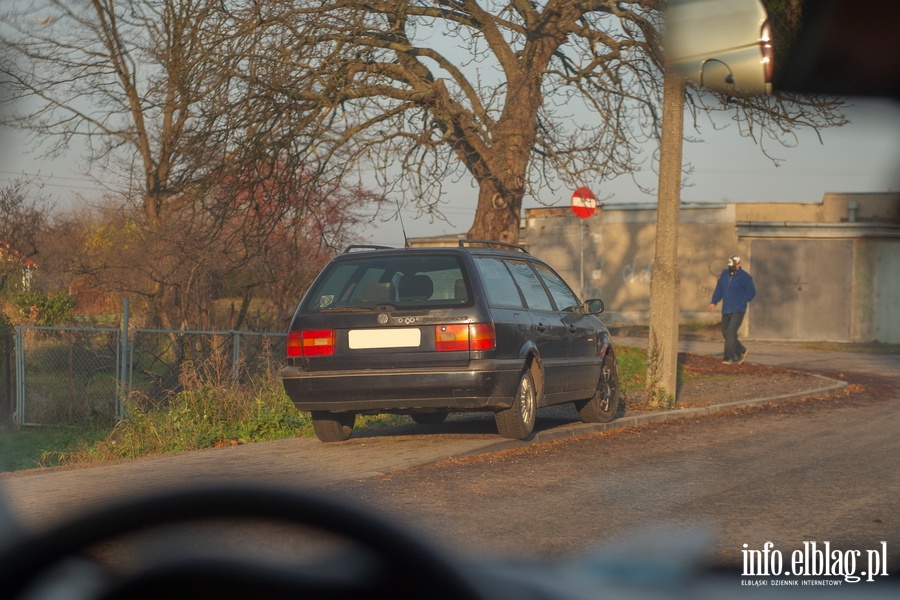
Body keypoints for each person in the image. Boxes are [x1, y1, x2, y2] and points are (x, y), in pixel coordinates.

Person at [708, 254, 756, 364]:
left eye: (734, 266)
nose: (731, 268)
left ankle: (728, 357)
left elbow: (752, 292)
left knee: (731, 332)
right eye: (730, 266)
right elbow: (719, 289)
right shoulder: (724, 275)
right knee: (725, 332)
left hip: (738, 309)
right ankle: (741, 350)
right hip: (726, 309)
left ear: (739, 264)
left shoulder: (745, 277)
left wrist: (742, 301)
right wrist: (714, 302)